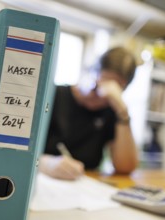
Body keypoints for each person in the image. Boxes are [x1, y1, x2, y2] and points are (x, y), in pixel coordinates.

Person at [39, 46, 138, 180]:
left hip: (83, 185)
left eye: (112, 90)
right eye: (99, 83)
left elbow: (125, 167)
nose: (101, 95)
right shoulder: (54, 94)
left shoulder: (111, 111)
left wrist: (123, 111)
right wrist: (44, 163)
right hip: (43, 178)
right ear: (91, 72)